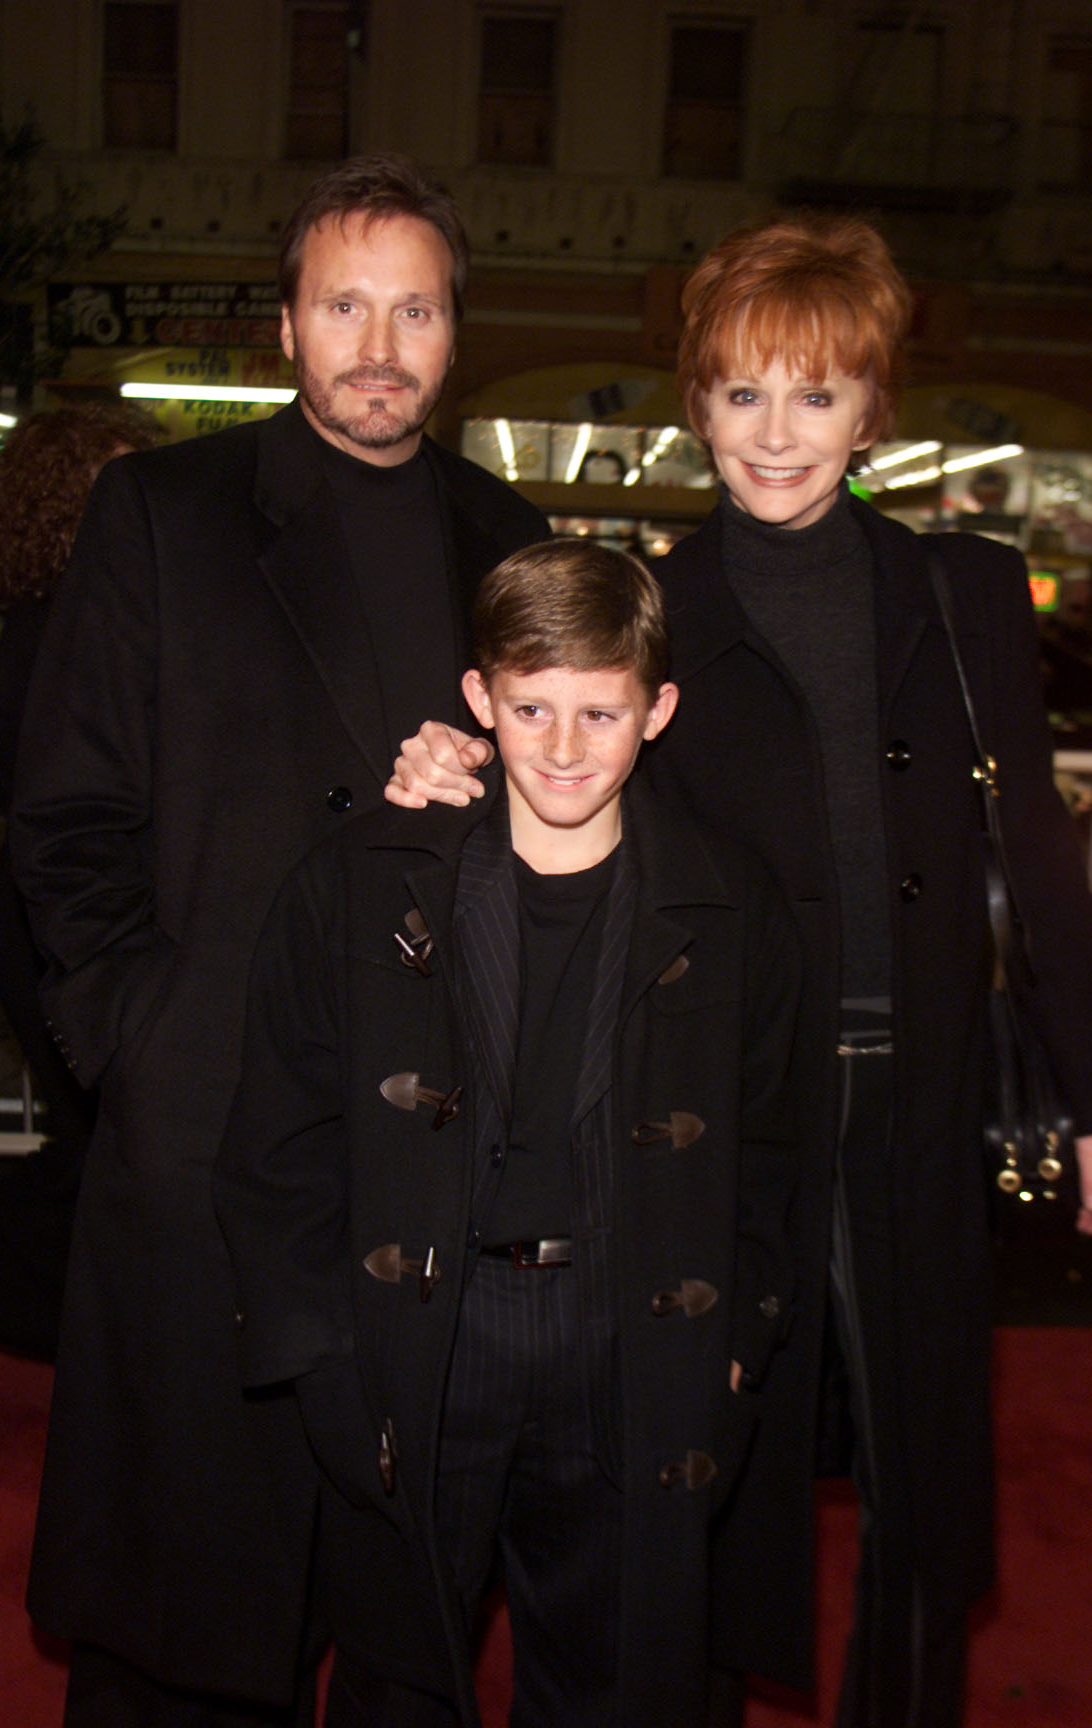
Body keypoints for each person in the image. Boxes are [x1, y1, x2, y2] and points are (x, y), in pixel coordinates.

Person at [386, 214, 1092, 1728]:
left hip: (920, 1091)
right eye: (745, 395)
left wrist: (1091, 1090)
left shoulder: (961, 590)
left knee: (921, 1483)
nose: (779, 435)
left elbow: (1033, 851)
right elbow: (558, 766)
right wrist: (448, 759)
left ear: (870, 410)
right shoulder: (655, 607)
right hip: (716, 1104)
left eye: (817, 396)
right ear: (697, 406)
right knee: (705, 1460)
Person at [8, 155, 548, 1727]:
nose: (379, 343)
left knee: (392, 1613)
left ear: (457, 333)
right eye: (344, 305)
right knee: (180, 1619)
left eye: (417, 308)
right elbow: (69, 821)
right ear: (287, 326)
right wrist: (141, 1042)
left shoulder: (512, 545)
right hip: (209, 1134)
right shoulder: (163, 514)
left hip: (431, 1159)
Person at [214, 539, 801, 1727]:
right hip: (426, 1335)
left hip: (629, 1337)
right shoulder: (362, 883)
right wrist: (321, 1356)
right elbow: (279, 1140)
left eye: (602, 710)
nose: (568, 747)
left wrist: (736, 1343)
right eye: (532, 707)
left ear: (660, 710)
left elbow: (777, 1144)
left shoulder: (731, 903)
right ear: (478, 700)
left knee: (618, 1683)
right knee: (396, 1676)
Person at [0, 405, 156, 1359]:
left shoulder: (73, 614)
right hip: (50, 926)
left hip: (42, 918)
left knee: (95, 1151)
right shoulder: (63, 623)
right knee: (99, 1157)